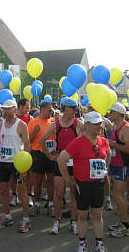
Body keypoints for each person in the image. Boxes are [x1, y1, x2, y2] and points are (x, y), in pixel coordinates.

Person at [58, 111, 110, 252]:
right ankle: (82, 243)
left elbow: (108, 155)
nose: (98, 127)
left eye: (99, 123)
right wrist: (68, 179)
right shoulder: (78, 142)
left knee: (98, 214)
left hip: (98, 184)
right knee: (82, 215)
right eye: (94, 124)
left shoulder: (103, 141)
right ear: (86, 125)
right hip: (83, 184)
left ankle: (99, 244)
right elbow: (61, 159)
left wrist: (105, 171)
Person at [39, 97, 84, 235]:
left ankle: (73, 221)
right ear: (65, 109)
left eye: (76, 109)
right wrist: (49, 155)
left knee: (75, 194)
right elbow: (41, 140)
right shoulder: (55, 125)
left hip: (75, 163)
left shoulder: (79, 124)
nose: (75, 112)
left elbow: (88, 140)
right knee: (58, 194)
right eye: (72, 109)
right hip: (60, 163)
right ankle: (57, 221)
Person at [0, 99, 31, 233]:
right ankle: (7, 216)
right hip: (3, 162)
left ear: (14, 110)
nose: (5, 111)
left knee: (21, 191)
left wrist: (25, 168)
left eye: (8, 108)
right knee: (3, 190)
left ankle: (26, 220)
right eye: (4, 108)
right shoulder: (1, 123)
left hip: (18, 163)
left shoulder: (21, 125)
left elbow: (27, 146)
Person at [107, 102, 129, 238]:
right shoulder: (115, 126)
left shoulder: (126, 128)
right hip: (115, 164)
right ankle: (121, 221)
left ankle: (125, 225)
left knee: (117, 195)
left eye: (112, 112)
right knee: (118, 195)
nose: (110, 114)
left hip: (123, 165)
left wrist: (113, 144)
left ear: (118, 113)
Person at [28, 101, 55, 217]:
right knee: (37, 182)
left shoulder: (53, 122)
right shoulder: (33, 122)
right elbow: (28, 140)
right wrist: (34, 132)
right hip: (38, 154)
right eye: (49, 110)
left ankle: (51, 204)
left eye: (52, 110)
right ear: (42, 109)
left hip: (50, 153)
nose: (51, 112)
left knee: (50, 181)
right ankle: (36, 204)